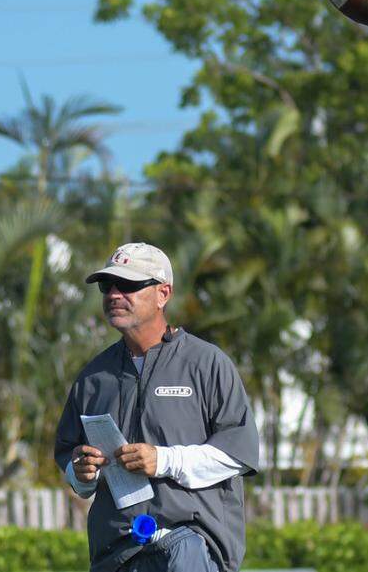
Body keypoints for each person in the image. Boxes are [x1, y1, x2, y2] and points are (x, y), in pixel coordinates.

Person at [54, 242, 262, 572]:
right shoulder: (93, 376)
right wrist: (81, 472)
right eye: (108, 286)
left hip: (190, 548)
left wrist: (163, 460)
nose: (114, 295)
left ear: (163, 293)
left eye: (129, 285)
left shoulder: (207, 363)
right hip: (116, 554)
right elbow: (70, 458)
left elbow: (238, 453)